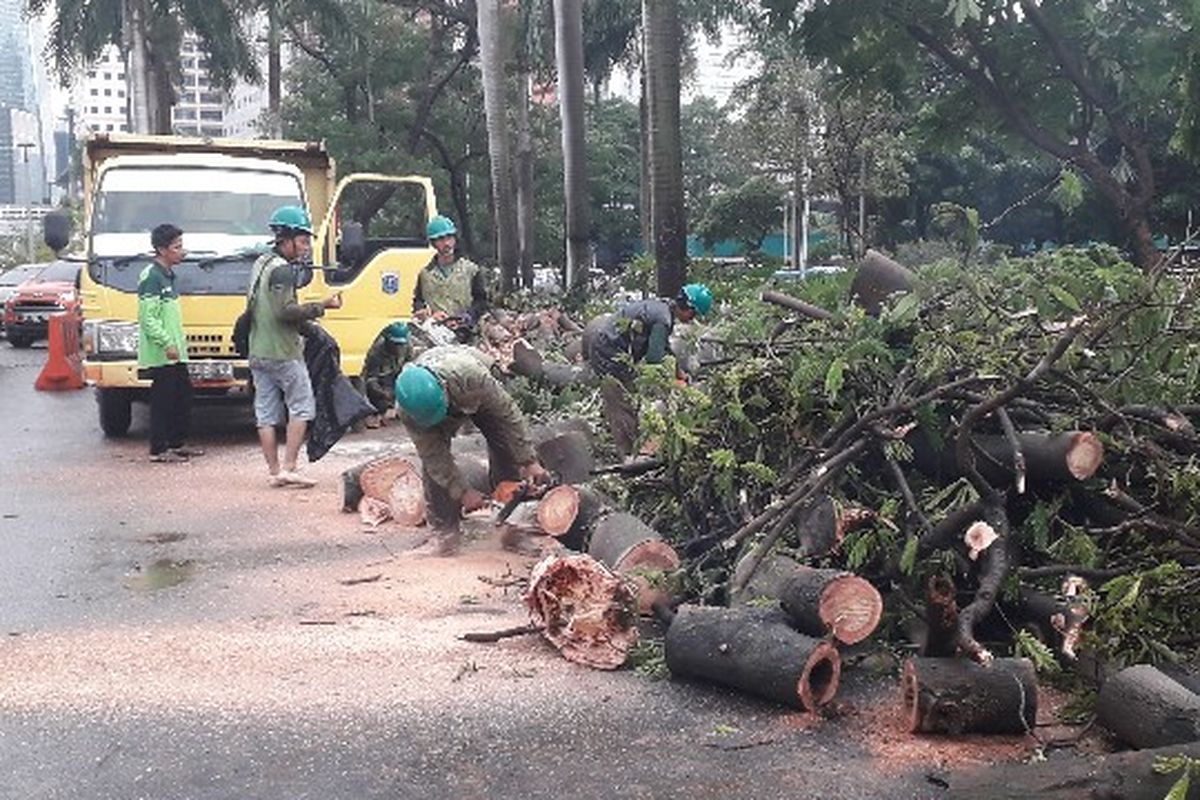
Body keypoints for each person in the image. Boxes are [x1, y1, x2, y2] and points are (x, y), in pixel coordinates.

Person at [394, 345, 550, 553]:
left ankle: (512, 530)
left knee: (503, 444)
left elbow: (509, 417)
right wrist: (463, 492)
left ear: (445, 388)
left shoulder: (473, 377)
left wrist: (529, 462)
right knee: (434, 466)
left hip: (476, 387)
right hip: (444, 400)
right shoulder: (408, 410)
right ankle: (444, 533)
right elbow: (434, 456)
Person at [247, 205, 343, 487]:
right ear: (286, 239)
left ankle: (274, 472)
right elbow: (285, 312)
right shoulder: (283, 272)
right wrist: (321, 306)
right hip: (282, 352)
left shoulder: (261, 263)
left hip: (257, 349)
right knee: (301, 406)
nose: (304, 248)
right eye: (301, 241)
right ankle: (289, 466)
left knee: (265, 412)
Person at [584, 283, 714, 456]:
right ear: (688, 308)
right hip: (608, 353)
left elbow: (663, 348)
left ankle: (633, 447)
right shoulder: (663, 319)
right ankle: (628, 456)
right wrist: (672, 386)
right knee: (622, 402)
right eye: (694, 314)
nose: (692, 319)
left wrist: (679, 373)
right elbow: (654, 358)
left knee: (628, 399)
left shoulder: (663, 308)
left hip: (613, 349)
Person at [138, 223, 204, 463]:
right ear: (162, 250)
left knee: (182, 397)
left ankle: (176, 443)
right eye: (177, 247)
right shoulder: (151, 277)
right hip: (162, 352)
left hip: (176, 352)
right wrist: (166, 342)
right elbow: (148, 319)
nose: (182, 252)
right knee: (163, 400)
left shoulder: (169, 276)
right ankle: (158, 448)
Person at [412, 215, 488, 341]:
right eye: (440, 239)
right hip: (435, 335)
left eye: (449, 238)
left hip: (466, 335)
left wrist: (468, 317)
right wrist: (427, 314)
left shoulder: (471, 270)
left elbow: (481, 301)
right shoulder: (425, 274)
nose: (446, 243)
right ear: (433, 243)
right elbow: (418, 301)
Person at [361, 321, 412, 427]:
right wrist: (384, 394)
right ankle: (377, 413)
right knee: (379, 398)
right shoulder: (376, 352)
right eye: (395, 344)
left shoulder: (407, 346)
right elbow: (371, 379)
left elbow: (409, 362)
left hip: (398, 374)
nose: (397, 347)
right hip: (382, 380)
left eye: (400, 344)